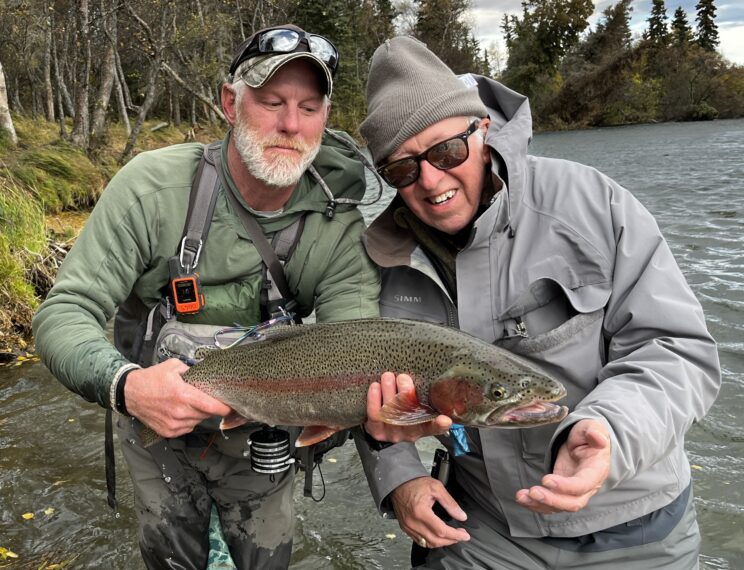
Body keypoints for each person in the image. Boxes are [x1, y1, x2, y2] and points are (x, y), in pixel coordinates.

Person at [356, 36, 721, 569]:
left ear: (479, 130)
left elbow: (677, 350)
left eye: (445, 151)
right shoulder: (377, 260)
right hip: (478, 528)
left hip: (636, 525)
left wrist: (610, 435)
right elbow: (348, 385)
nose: (431, 180)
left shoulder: (594, 205)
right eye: (402, 169)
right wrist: (401, 478)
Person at [32, 24, 381, 570]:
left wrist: (387, 414)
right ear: (229, 102)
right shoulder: (152, 189)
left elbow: (361, 350)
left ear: (324, 119)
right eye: (271, 102)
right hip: (152, 425)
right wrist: (124, 385)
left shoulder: (337, 228)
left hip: (268, 442)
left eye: (309, 108)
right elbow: (65, 312)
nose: (290, 124)